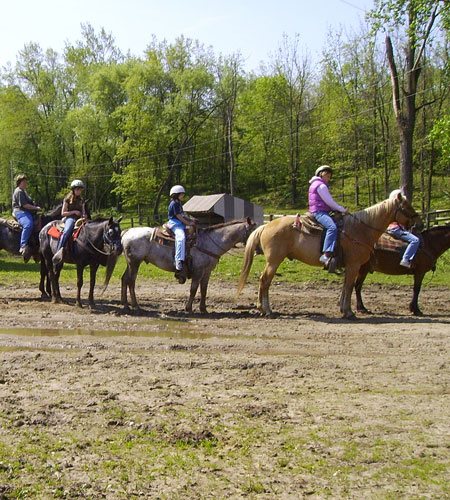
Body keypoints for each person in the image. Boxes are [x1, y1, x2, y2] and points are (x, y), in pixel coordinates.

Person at [308, 165, 348, 267]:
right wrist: (341, 209)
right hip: (319, 212)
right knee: (332, 227)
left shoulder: (315, 184)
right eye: (327, 175)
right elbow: (329, 202)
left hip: (319, 210)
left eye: (329, 176)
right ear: (321, 174)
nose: (328, 178)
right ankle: (326, 254)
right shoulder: (321, 186)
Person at [52, 179, 87, 266]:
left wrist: (84, 215)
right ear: (73, 189)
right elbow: (63, 213)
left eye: (80, 189)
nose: (79, 191)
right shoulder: (67, 199)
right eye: (77, 189)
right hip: (70, 218)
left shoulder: (81, 200)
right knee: (67, 231)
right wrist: (74, 212)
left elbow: (83, 211)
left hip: (80, 219)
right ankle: (59, 250)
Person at [167, 185, 196, 283]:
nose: (183, 195)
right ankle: (178, 261)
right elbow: (179, 216)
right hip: (175, 224)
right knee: (181, 238)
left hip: (181, 224)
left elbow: (183, 215)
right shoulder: (174, 204)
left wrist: (192, 220)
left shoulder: (179, 203)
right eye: (181, 194)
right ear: (176, 195)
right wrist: (189, 223)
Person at [386, 189, 420, 268]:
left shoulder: (389, 208)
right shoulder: (396, 209)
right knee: (415, 240)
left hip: (393, 228)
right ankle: (405, 259)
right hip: (395, 229)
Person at [12, 174, 41, 261]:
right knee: (28, 224)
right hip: (20, 211)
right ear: (19, 182)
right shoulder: (19, 191)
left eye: (26, 181)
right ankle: (23, 245)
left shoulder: (24, 191)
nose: (26, 183)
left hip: (27, 211)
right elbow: (24, 205)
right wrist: (36, 208)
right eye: (24, 182)